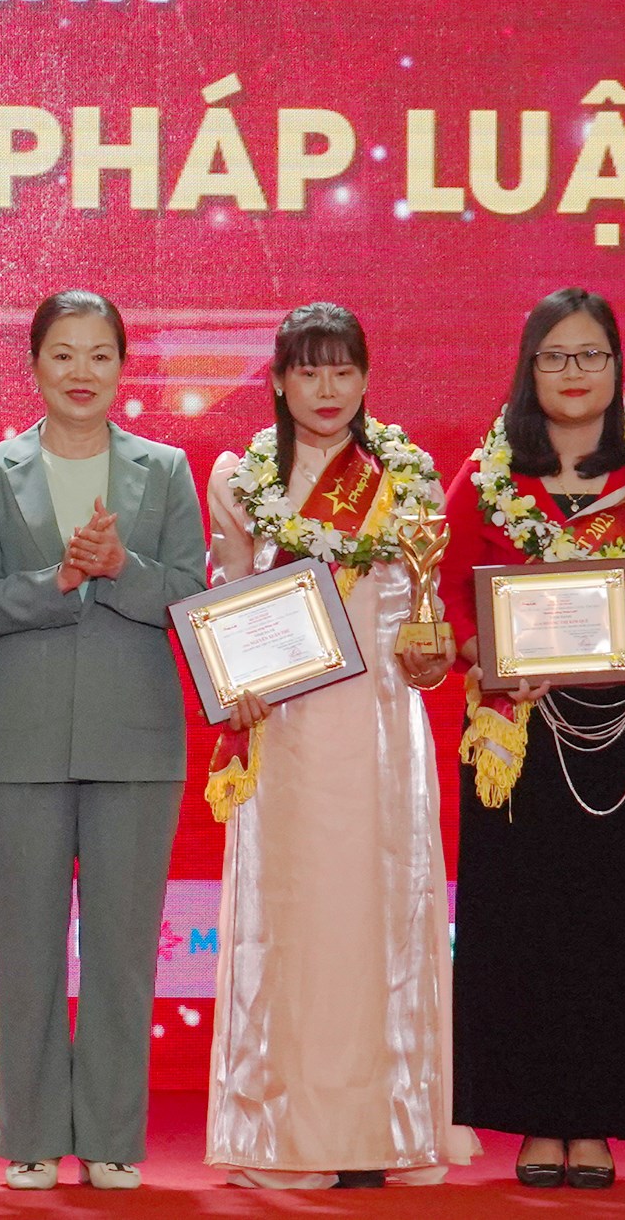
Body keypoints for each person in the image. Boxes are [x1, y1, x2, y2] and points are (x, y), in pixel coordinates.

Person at [200, 303, 475, 1189]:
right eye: (308, 370)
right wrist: (234, 684)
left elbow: (423, 621)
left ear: (366, 377)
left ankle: (383, 1128)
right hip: (287, 731)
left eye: (344, 369)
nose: (328, 388)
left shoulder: (406, 475)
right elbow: (226, 599)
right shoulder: (242, 477)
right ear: (280, 380)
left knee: (380, 915)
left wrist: (433, 656)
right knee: (295, 922)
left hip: (382, 726)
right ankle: (292, 1135)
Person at [439, 288, 625, 1189]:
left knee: (614, 924)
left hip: (623, 731)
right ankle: (536, 1118)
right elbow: (447, 594)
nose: (574, 372)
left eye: (591, 354)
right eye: (555, 356)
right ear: (529, 369)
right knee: (524, 925)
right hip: (518, 728)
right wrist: (482, 654)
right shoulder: (490, 474)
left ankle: (598, 1118)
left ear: (616, 366)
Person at [0, 291, 204, 1191]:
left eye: (100, 354)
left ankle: (109, 1136)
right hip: (18, 740)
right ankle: (28, 1134)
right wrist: (56, 578)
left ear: (123, 368)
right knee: (25, 949)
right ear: (34, 366)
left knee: (122, 951)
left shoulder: (164, 469)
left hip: (136, 738)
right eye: (63, 354)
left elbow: (190, 597)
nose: (82, 372)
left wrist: (121, 566)